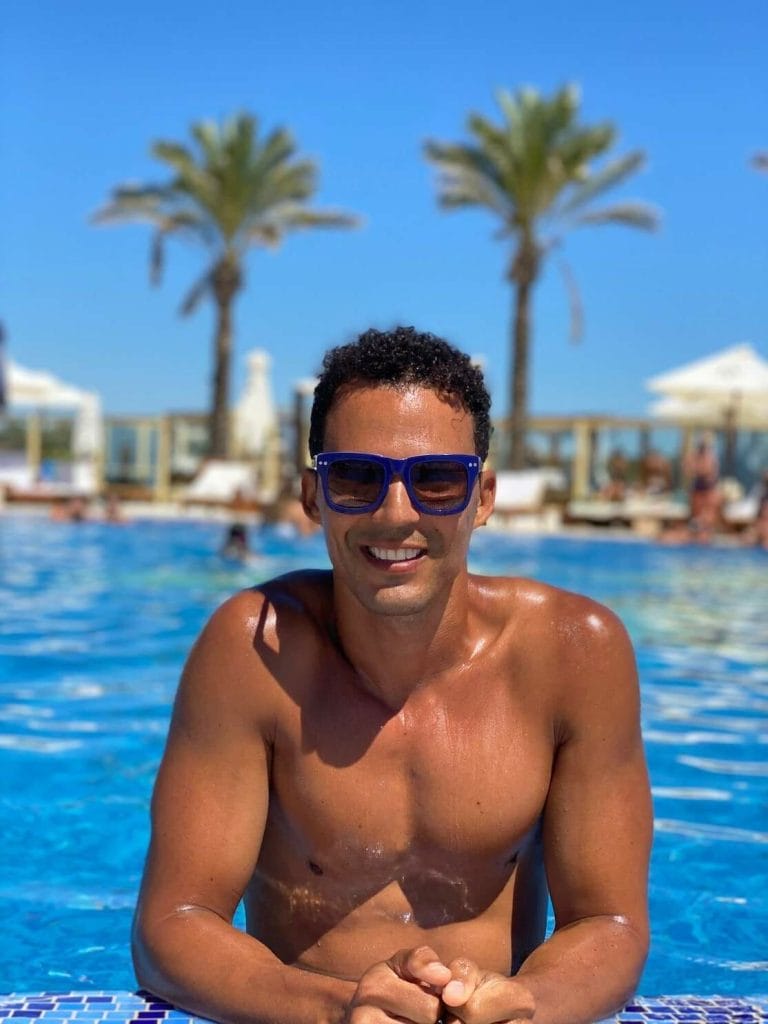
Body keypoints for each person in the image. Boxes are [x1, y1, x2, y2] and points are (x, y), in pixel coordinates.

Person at [133, 326, 652, 1024]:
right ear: (314, 496)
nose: (396, 513)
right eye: (357, 478)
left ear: (485, 496)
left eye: (437, 480)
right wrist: (340, 1010)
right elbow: (173, 924)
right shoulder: (253, 652)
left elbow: (610, 921)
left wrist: (529, 1005)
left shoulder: (575, 655)